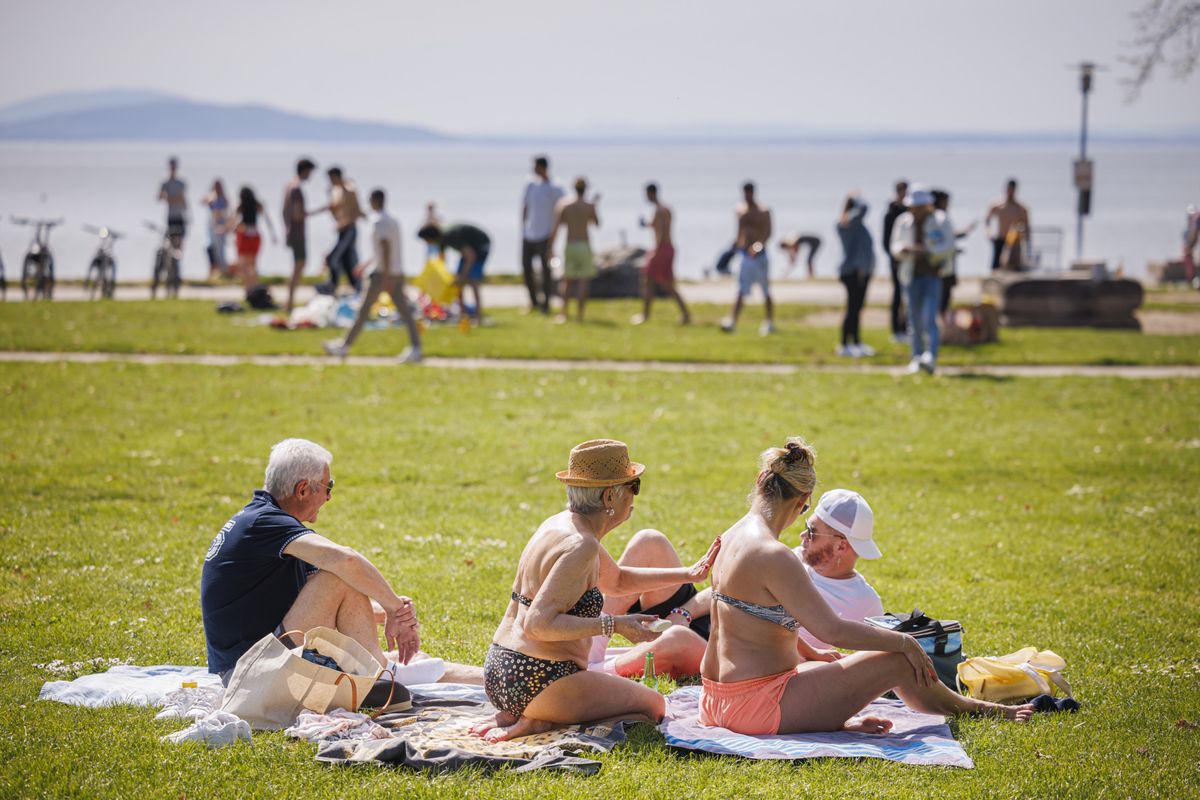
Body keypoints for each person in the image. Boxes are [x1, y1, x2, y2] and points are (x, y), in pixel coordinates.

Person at [698, 437, 1034, 736]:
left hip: (715, 700)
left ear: (761, 481)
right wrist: (904, 641)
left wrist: (818, 668)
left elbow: (748, 623)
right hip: (756, 706)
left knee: (823, 666)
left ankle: (836, 718)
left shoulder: (731, 535)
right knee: (897, 659)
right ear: (803, 499)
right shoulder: (773, 554)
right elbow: (833, 630)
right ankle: (979, 709)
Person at [472, 439, 721, 742]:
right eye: (634, 486)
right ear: (609, 496)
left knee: (639, 701)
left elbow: (616, 581)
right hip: (540, 681)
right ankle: (542, 720)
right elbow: (537, 623)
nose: (635, 496)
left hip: (501, 672)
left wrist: (688, 573)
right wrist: (615, 625)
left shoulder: (562, 525)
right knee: (654, 706)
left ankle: (534, 712)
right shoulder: (582, 545)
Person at [592, 487, 885, 676]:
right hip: (712, 622)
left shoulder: (864, 602)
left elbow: (864, 665)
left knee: (676, 639)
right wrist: (683, 613)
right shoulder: (789, 557)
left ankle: (597, 676)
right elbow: (726, 588)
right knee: (649, 542)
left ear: (841, 547)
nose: (801, 536)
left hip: (736, 653)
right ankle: (589, 644)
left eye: (812, 531)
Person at [323, 188, 422, 363]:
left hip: (383, 274)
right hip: (394, 271)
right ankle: (416, 347)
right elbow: (382, 248)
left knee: (365, 310)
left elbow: (385, 247)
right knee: (403, 311)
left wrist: (384, 275)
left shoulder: (379, 221)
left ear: (374, 200)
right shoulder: (391, 219)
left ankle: (344, 346)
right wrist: (367, 264)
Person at [890, 185, 955, 375]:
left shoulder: (941, 220)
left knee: (929, 317)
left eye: (918, 206)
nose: (915, 210)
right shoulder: (903, 221)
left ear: (928, 205)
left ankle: (930, 356)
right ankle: (917, 357)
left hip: (933, 275)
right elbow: (894, 245)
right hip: (911, 276)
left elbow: (949, 245)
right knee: (914, 318)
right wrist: (904, 250)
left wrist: (929, 251)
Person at [632, 182, 690, 325]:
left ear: (651, 193)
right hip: (667, 248)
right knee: (666, 285)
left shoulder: (659, 210)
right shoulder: (664, 209)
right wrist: (646, 224)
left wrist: (656, 251)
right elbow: (657, 225)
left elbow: (662, 230)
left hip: (661, 249)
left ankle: (645, 316)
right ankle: (685, 314)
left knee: (649, 282)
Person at [721, 182, 774, 336]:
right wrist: (733, 249)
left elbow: (767, 233)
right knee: (741, 289)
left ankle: (769, 321)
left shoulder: (763, 210)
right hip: (744, 255)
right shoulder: (740, 210)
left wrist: (757, 247)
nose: (747, 195)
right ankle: (732, 321)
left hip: (760, 255)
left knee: (765, 289)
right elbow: (739, 234)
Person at [417, 221, 491, 324]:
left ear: (431, 237)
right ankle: (463, 315)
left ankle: (479, 316)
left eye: (426, 241)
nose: (427, 243)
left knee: (473, 281)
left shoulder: (451, 237)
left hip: (481, 246)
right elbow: (441, 262)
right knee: (458, 284)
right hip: (469, 251)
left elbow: (471, 256)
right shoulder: (441, 241)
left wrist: (463, 276)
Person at [550, 177, 600, 324]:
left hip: (570, 244)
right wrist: (594, 205)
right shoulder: (589, 206)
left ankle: (564, 314)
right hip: (584, 245)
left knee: (567, 281)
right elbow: (596, 223)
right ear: (586, 189)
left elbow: (557, 227)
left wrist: (550, 247)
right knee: (583, 282)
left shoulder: (564, 204)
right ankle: (580, 315)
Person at [521, 156, 564, 314]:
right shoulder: (530, 184)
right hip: (528, 234)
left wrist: (554, 237)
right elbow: (525, 206)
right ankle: (533, 301)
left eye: (536, 166)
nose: (533, 169)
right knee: (526, 267)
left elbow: (561, 213)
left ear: (543, 167)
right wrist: (522, 229)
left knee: (546, 271)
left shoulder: (555, 188)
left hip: (545, 234)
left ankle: (546, 304)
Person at [835, 195, 875, 358]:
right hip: (854, 272)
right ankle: (845, 343)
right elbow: (865, 208)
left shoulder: (851, 223)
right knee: (852, 308)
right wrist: (856, 198)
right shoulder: (850, 222)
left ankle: (856, 342)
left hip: (859, 271)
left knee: (857, 308)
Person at [227, 186, 278, 306]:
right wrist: (272, 234)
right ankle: (255, 289)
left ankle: (249, 290)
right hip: (255, 235)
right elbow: (267, 219)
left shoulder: (241, 205)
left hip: (244, 235)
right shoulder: (257, 204)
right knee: (253, 266)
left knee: (244, 266)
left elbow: (233, 219)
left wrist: (227, 229)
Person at [932, 189, 978, 315]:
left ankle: (942, 319)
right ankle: (940, 319)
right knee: (942, 295)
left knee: (944, 295)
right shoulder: (938, 218)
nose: (948, 204)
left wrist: (965, 232)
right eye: (946, 201)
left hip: (946, 261)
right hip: (941, 263)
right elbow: (938, 240)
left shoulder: (938, 217)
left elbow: (948, 237)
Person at [282, 158, 317, 315]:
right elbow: (297, 215)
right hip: (297, 233)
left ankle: (289, 302)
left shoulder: (289, 186)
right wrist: (316, 211)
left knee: (298, 266)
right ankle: (289, 302)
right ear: (305, 170)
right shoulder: (296, 189)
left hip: (292, 232)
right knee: (299, 266)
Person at [323, 166, 365, 293]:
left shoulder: (350, 190)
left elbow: (357, 212)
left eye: (331, 178)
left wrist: (344, 222)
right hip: (342, 230)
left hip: (349, 230)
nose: (330, 181)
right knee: (346, 261)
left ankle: (333, 285)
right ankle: (355, 287)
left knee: (334, 258)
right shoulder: (336, 191)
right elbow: (335, 213)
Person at [881, 180, 909, 343]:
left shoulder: (908, 212)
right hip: (895, 260)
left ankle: (906, 327)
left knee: (908, 295)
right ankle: (896, 329)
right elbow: (886, 241)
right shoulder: (890, 213)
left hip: (908, 260)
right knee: (898, 294)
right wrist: (894, 258)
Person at [985, 179, 1031, 272]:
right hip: (1000, 238)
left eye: (1012, 189)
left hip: (1014, 242)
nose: (1010, 191)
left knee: (1014, 267)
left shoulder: (1021, 208)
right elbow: (987, 220)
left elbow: (1027, 226)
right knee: (996, 266)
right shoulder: (997, 206)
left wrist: (1028, 242)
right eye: (1009, 189)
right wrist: (988, 233)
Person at [158, 156, 188, 265]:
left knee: (180, 242)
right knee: (169, 240)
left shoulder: (181, 183)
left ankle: (177, 266)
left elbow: (183, 200)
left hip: (180, 216)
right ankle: (168, 263)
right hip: (170, 216)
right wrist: (173, 199)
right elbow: (160, 197)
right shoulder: (165, 182)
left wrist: (171, 199)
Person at [201, 180, 230, 280]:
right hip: (211, 226)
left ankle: (223, 271)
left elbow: (226, 210)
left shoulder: (224, 199)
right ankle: (214, 270)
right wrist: (212, 196)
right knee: (210, 248)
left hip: (220, 225)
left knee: (220, 249)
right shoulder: (211, 197)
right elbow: (203, 201)